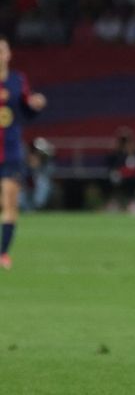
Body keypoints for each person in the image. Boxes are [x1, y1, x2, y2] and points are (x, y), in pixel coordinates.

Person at [0, 35, 47, 270]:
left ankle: (3, 253)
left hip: (10, 151)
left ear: (9, 54)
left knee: (10, 202)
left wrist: (35, 105)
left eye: (2, 50)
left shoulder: (18, 80)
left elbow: (26, 111)